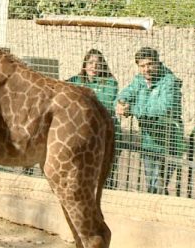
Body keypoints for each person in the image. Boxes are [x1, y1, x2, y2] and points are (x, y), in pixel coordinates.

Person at [116, 47, 183, 195]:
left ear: (158, 63)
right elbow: (128, 91)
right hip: (148, 140)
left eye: (150, 64)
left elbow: (163, 108)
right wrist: (121, 101)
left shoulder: (169, 82)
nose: (147, 69)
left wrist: (132, 109)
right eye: (142, 66)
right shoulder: (139, 79)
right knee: (151, 184)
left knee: (159, 184)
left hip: (168, 140)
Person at [67, 49, 119, 187]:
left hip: (104, 133)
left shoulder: (110, 82)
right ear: (85, 64)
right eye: (90, 63)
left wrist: (80, 98)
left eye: (98, 63)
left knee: (104, 173)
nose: (94, 67)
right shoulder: (75, 80)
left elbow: (104, 103)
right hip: (82, 132)